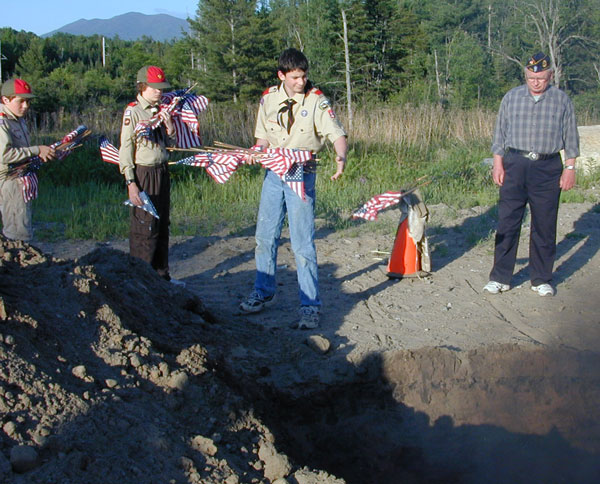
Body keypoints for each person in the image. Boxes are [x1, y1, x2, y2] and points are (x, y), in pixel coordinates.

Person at [240, 48, 348, 329]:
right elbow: (262, 136)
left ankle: (309, 305)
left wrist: (341, 156)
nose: (302, 82)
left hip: (302, 173)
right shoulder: (268, 98)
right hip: (274, 173)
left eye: (304, 76)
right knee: (265, 236)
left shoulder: (316, 100)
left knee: (302, 243)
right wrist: (256, 150)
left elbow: (335, 132)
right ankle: (263, 291)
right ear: (282, 75)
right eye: (296, 77)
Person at [483, 52, 579, 297]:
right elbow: (499, 135)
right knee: (508, 221)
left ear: (549, 76)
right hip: (515, 163)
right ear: (525, 75)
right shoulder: (511, 98)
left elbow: (571, 137)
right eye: (531, 77)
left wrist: (570, 168)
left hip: (547, 168)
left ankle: (541, 278)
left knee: (544, 225)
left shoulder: (561, 100)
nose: (536, 82)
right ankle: (500, 277)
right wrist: (498, 164)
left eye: (541, 78)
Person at [118, 65, 185, 287]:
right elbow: (125, 149)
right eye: (155, 88)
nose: (160, 92)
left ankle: (161, 276)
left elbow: (172, 144)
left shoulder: (161, 110)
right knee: (144, 227)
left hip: (161, 170)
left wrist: (169, 126)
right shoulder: (134, 112)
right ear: (143, 86)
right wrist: (131, 183)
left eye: (162, 88)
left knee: (162, 224)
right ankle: (142, 280)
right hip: (143, 173)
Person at [0, 78, 55, 241]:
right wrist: (36, 150)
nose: (26, 106)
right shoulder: (3, 122)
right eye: (21, 101)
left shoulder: (18, 119)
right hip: (9, 180)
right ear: (5, 99)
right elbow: (4, 154)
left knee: (22, 225)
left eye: (28, 101)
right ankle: (19, 263)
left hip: (20, 178)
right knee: (17, 232)